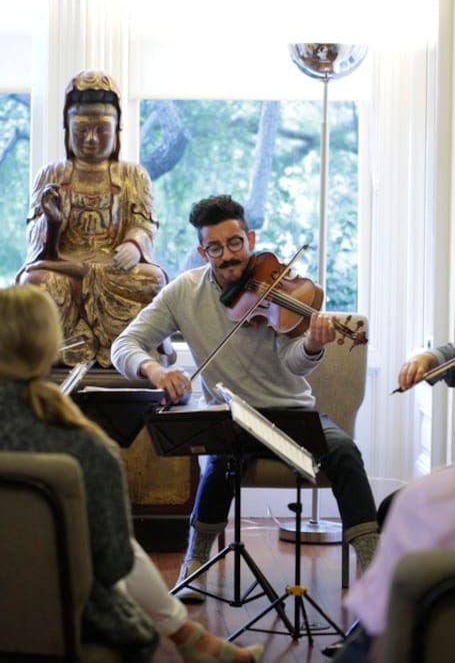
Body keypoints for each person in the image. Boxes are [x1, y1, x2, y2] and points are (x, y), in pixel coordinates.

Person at [111, 194, 379, 602]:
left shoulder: (277, 286)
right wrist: (155, 370)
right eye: (215, 248)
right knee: (219, 462)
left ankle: (372, 569)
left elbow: (293, 363)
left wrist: (312, 345)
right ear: (203, 251)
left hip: (291, 413)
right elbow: (125, 344)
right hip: (232, 416)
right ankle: (195, 562)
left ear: (250, 239)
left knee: (344, 452)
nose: (228, 256)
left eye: (235, 243)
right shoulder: (184, 292)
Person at [0, 283, 263, 663]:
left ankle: (193, 639)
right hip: (63, 619)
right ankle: (192, 639)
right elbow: (115, 564)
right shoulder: (85, 450)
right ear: (47, 346)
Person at [16, 70, 172, 368]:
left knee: (153, 281)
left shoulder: (133, 175)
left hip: (113, 266)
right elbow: (36, 238)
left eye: (101, 130)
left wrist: (134, 245)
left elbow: (144, 222)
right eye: (81, 130)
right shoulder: (51, 174)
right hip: (64, 263)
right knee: (34, 283)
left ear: (116, 130)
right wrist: (52, 223)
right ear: (68, 128)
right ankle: (63, 347)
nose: (90, 139)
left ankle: (123, 349)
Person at [327, 342, 455, 662]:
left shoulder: (428, 502)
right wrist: (429, 357)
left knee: (402, 506)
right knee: (390, 507)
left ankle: (371, 626)